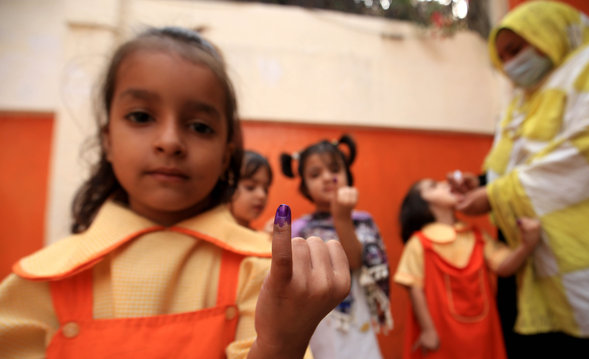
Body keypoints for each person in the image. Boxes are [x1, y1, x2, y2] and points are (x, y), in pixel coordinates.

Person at [0, 27, 351, 359]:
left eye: (199, 126)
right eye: (140, 117)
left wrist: (280, 343)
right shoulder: (42, 281)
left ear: (226, 153)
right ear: (107, 139)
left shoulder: (261, 269)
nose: (169, 141)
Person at [450, 1, 589, 355]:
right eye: (502, 57)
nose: (510, 64)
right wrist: (481, 183)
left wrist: (494, 195)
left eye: (516, 49)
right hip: (531, 271)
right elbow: (513, 168)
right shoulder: (518, 106)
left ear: (549, 33)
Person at [394, 178, 541, 359]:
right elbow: (414, 288)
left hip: (482, 336)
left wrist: (527, 245)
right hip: (442, 335)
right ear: (423, 205)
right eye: (433, 186)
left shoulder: (476, 235)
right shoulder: (419, 243)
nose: (444, 183)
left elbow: (503, 267)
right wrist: (428, 330)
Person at [280, 134, 392, 359]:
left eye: (334, 170)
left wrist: (342, 219)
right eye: (315, 174)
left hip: (355, 313)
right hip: (319, 316)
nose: (327, 178)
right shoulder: (298, 228)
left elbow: (356, 262)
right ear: (304, 186)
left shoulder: (362, 220)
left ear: (347, 176)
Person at [230, 150, 273, 233]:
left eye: (266, 189)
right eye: (250, 187)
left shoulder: (262, 236)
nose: (262, 195)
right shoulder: (212, 233)